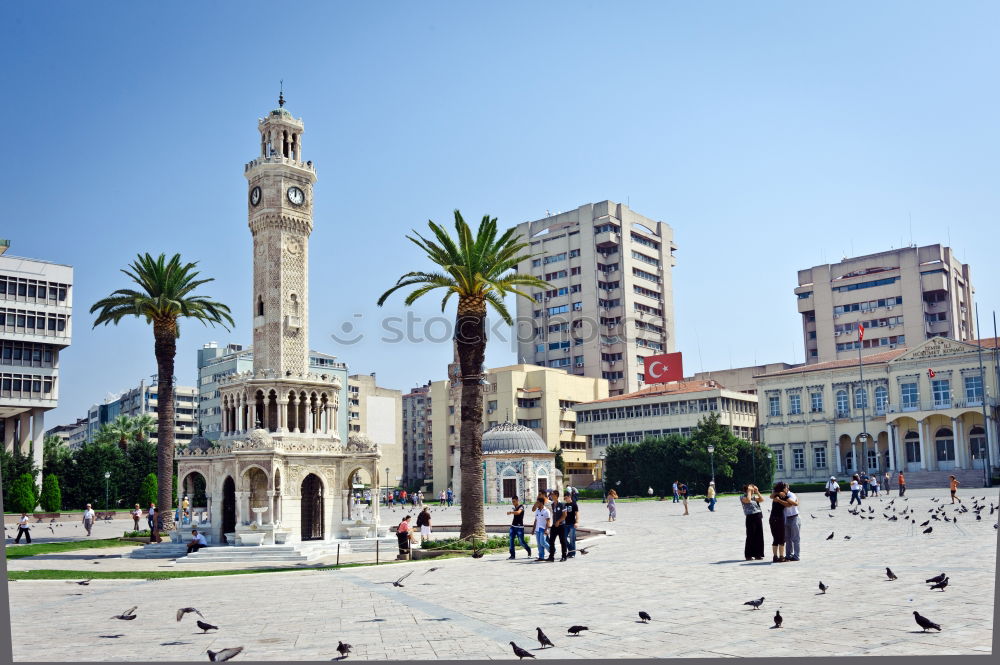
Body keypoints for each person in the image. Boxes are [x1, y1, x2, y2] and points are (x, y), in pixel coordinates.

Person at [740, 484, 765, 561]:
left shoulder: (753, 497)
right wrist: (749, 491)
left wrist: (757, 491)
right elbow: (748, 500)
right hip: (750, 517)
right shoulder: (743, 497)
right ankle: (748, 555)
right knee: (750, 536)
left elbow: (762, 499)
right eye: (751, 488)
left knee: (759, 535)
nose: (752, 489)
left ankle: (758, 554)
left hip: (758, 516)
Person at [768, 483, 787, 563]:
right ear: (782, 489)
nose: (787, 489)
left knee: (775, 538)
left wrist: (777, 493)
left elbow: (771, 496)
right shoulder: (783, 495)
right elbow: (788, 504)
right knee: (781, 538)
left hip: (772, 518)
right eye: (786, 488)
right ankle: (781, 557)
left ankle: (775, 557)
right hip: (779, 518)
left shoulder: (775, 495)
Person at [547, 494, 569, 562]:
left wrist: (558, 521)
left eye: (552, 495)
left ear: (556, 496)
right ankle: (551, 556)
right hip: (554, 525)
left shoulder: (562, 504)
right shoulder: (552, 504)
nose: (551, 496)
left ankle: (564, 556)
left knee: (562, 541)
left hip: (561, 525)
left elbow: (565, 515)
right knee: (551, 541)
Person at [782, 485, 801, 561]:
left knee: (795, 538)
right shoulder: (782, 495)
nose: (783, 490)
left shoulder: (791, 495)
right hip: (787, 518)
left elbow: (790, 505)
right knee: (787, 539)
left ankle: (796, 556)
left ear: (787, 488)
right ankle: (788, 555)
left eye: (784, 488)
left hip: (794, 517)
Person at [562, 490, 580, 557]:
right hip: (565, 524)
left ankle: (572, 553)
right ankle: (570, 550)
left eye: (566, 498)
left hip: (572, 524)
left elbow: (577, 513)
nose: (565, 499)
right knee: (563, 538)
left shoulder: (574, 504)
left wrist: (577, 522)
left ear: (569, 497)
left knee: (572, 539)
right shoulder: (565, 505)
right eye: (564, 498)